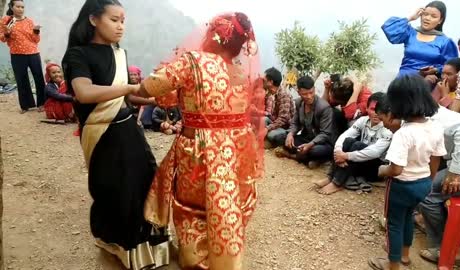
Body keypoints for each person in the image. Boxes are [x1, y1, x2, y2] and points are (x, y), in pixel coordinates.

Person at [139, 12, 264, 270]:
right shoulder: (241, 72)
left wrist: (132, 90)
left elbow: (150, 88)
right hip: (237, 151)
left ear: (216, 36)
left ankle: (196, 261)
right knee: (231, 206)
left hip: (200, 151)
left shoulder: (193, 61)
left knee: (193, 210)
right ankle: (225, 258)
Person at [61, 1, 168, 269]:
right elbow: (84, 92)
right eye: (114, 19)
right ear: (94, 19)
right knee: (116, 189)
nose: (121, 26)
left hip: (128, 128)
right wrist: (127, 87)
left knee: (144, 182)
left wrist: (155, 99)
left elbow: (128, 96)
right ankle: (117, 243)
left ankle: (148, 245)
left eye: (123, 21)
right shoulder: (77, 55)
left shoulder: (119, 53)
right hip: (102, 133)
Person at [368, 75, 446, 270]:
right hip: (423, 183)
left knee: (393, 224)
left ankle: (392, 264)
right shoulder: (435, 127)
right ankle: (404, 256)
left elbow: (396, 169)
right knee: (408, 218)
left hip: (401, 186)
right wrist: (429, 180)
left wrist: (382, 170)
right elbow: (436, 158)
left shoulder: (404, 133)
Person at [416, 107, 460, 266]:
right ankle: (425, 219)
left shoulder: (432, 119)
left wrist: (456, 172)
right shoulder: (427, 113)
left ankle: (445, 249)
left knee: (426, 192)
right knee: (422, 180)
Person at [315, 92, 393, 195]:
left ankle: (337, 183)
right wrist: (338, 151)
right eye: (373, 109)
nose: (376, 113)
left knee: (357, 145)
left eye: (379, 111)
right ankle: (331, 176)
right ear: (367, 108)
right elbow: (345, 135)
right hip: (359, 161)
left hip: (375, 168)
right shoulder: (363, 121)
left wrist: (347, 155)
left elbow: (375, 152)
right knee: (348, 141)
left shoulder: (387, 128)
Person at [381, 1, 458, 83]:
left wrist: (435, 70)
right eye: (425, 14)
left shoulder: (445, 42)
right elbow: (388, 27)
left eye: (433, 16)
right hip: (403, 81)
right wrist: (411, 18)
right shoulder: (411, 33)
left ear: (440, 20)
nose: (427, 18)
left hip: (426, 84)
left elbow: (453, 67)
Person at [274, 76, 334, 168]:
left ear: (314, 89)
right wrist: (290, 134)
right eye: (305, 94)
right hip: (306, 137)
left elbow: (325, 134)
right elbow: (295, 123)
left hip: (321, 143)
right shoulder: (299, 103)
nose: (309, 96)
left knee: (315, 151)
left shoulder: (324, 107)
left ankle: (292, 156)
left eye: (311, 92)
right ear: (299, 92)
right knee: (281, 138)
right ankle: (309, 159)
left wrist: (310, 145)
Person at [0, 0, 45, 113]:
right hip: (17, 54)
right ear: (11, 7)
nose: (20, 9)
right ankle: (26, 105)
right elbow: (2, 38)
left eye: (22, 7)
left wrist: (36, 31)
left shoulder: (29, 21)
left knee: (39, 78)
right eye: (18, 6)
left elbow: (36, 40)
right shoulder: (6, 20)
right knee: (21, 79)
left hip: (33, 53)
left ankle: (42, 104)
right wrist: (7, 33)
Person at [264, 67, 294, 148]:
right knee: (263, 120)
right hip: (276, 124)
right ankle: (265, 139)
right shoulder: (272, 94)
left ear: (270, 82)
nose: (263, 82)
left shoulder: (284, 95)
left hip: (285, 127)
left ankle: (270, 142)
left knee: (271, 135)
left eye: (264, 80)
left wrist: (267, 128)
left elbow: (283, 119)